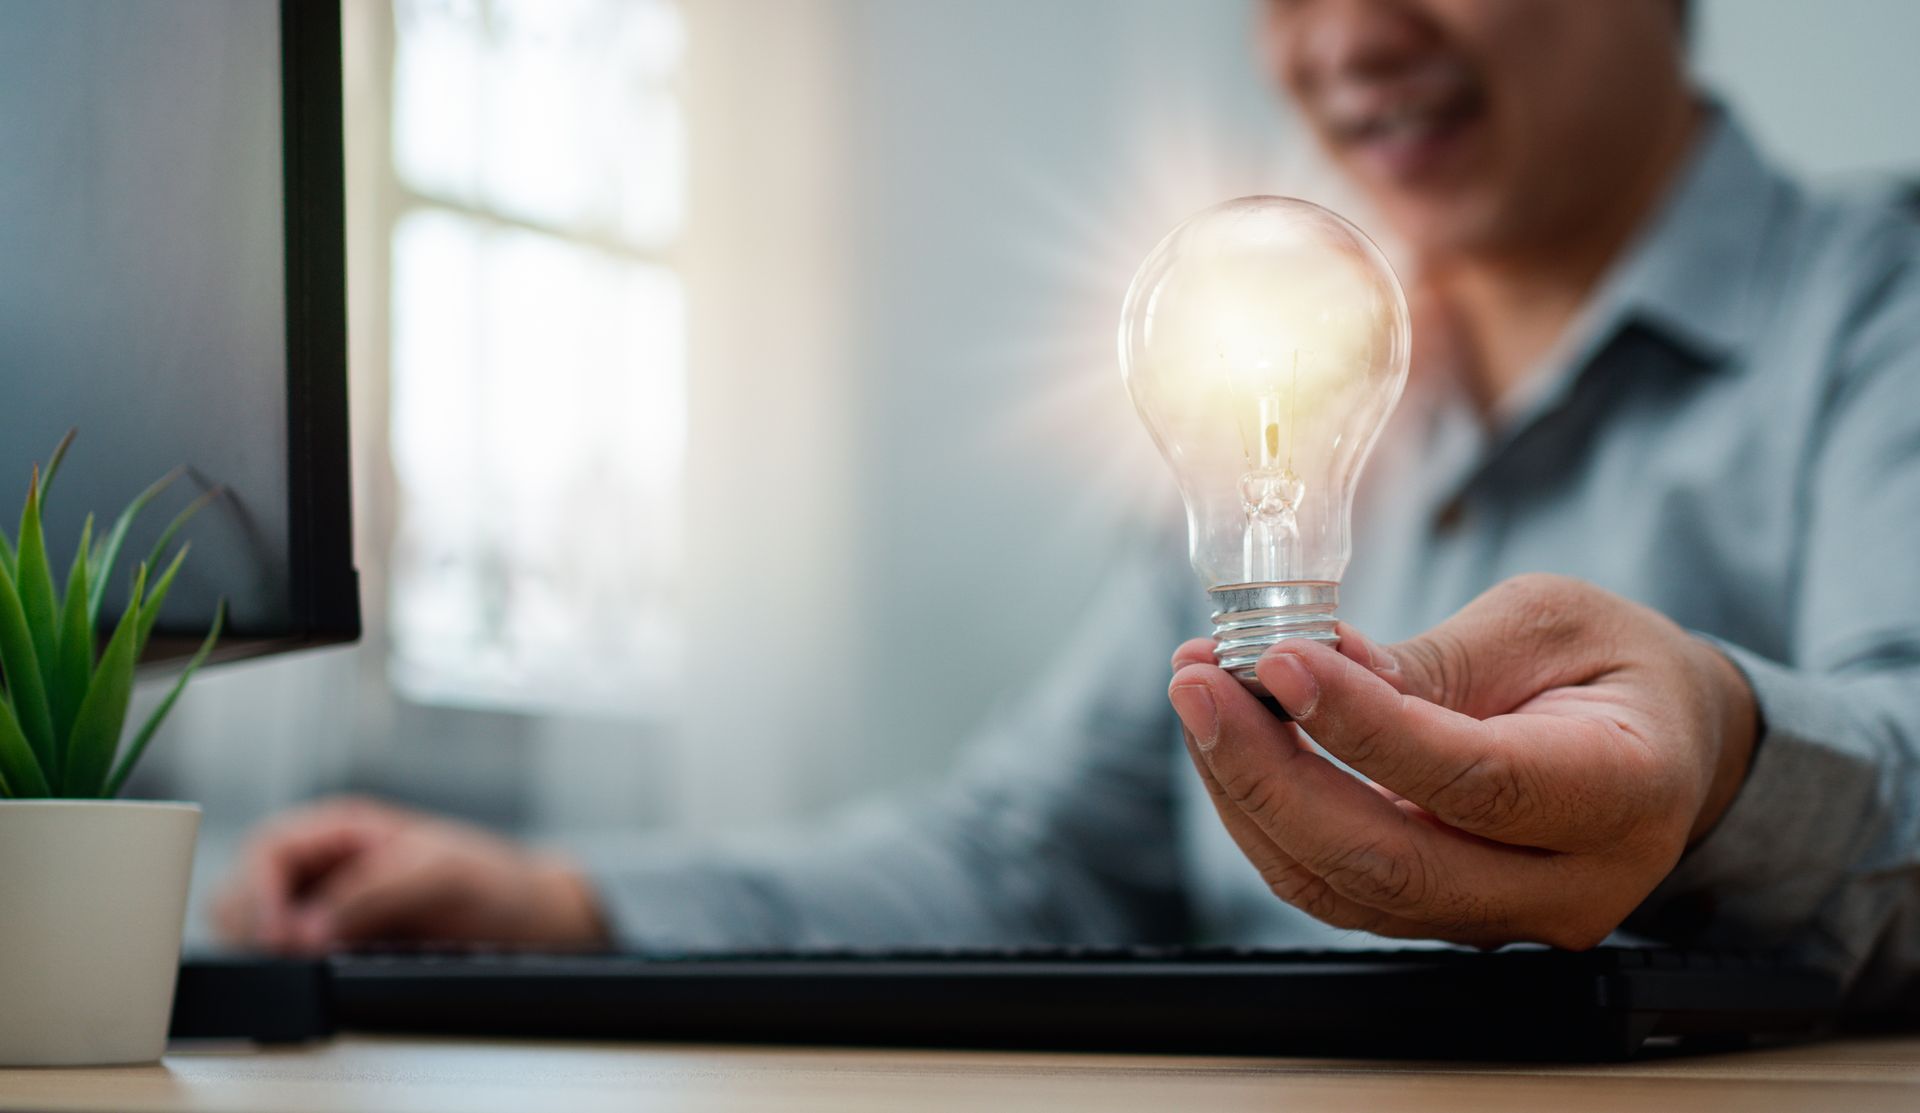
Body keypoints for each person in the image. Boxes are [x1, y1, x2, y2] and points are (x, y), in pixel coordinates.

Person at [216, 0, 1920, 1008]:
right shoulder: (1289, 383)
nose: (1337, 41)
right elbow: (1026, 846)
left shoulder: (1874, 306)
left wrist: (1724, 752)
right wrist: (566, 905)